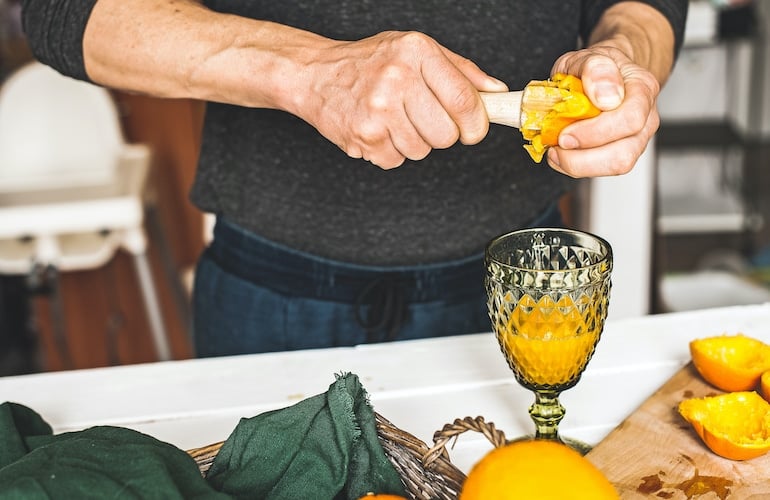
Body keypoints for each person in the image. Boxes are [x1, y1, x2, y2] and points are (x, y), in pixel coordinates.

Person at [20, 0, 687, 357]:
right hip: (270, 296)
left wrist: (628, 53)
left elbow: (648, 5)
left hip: (526, 287)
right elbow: (63, 13)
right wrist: (310, 72)